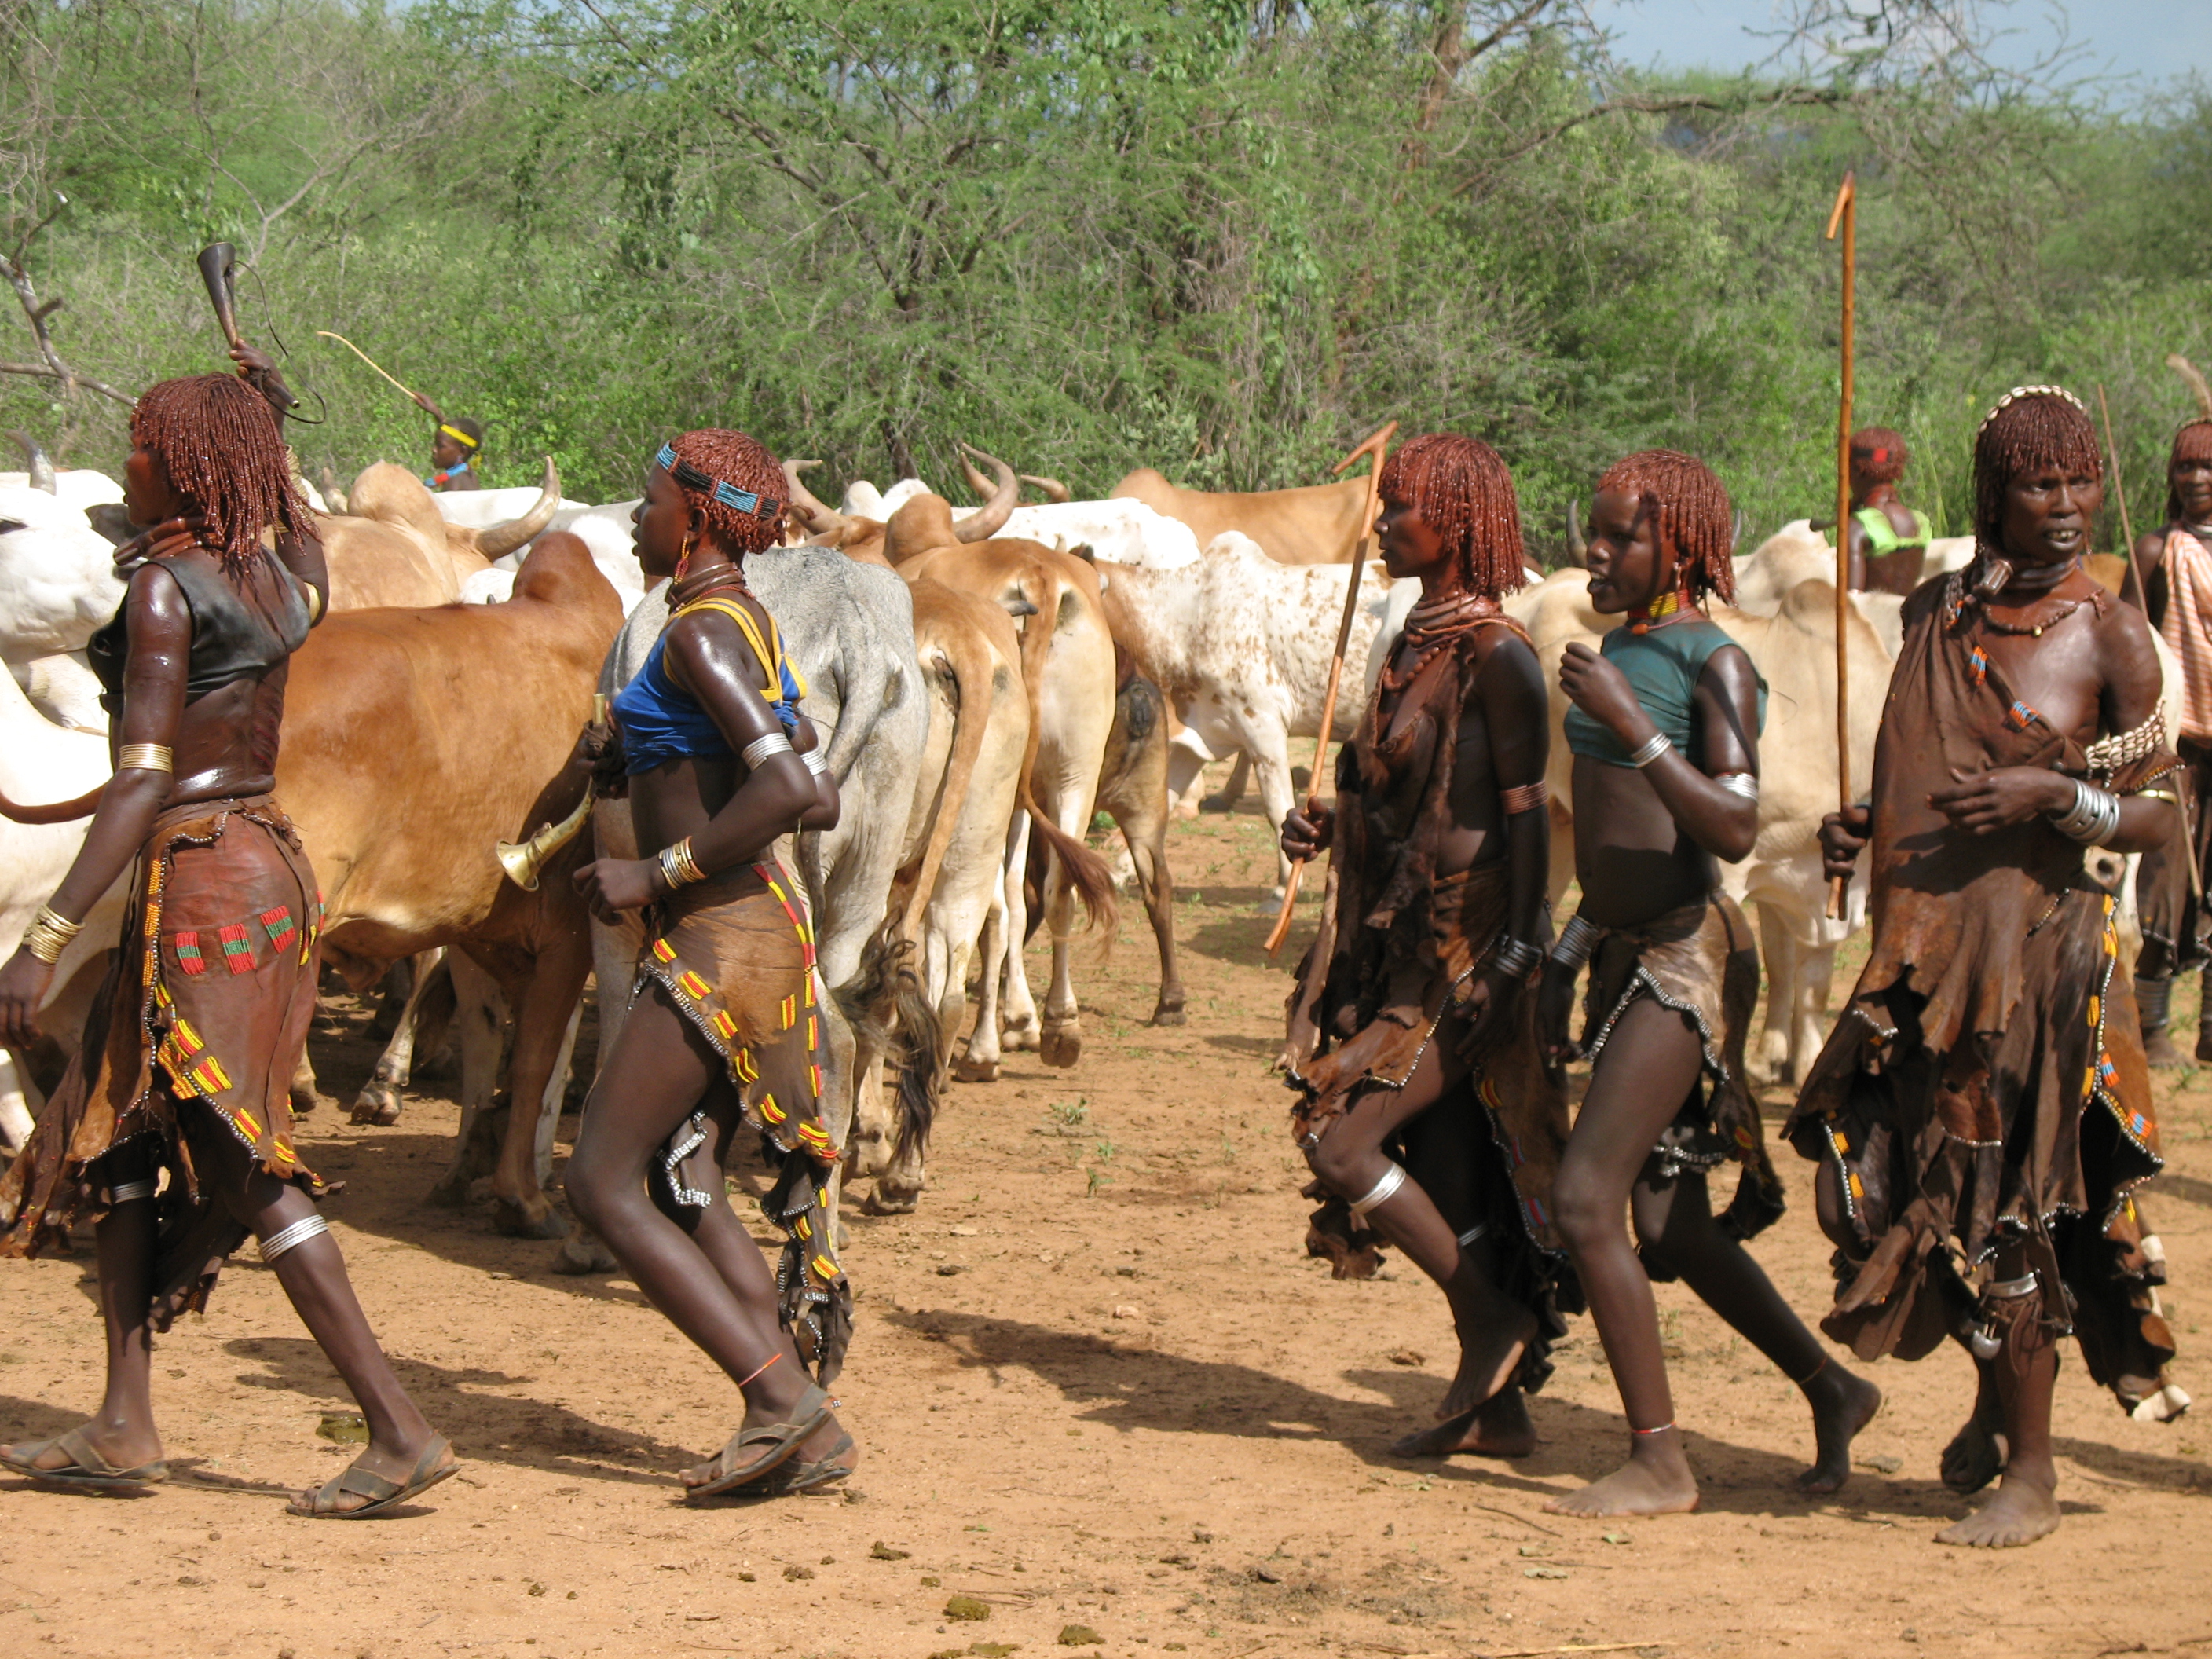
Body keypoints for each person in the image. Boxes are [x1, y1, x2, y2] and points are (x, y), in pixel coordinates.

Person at [0, 367, 457, 1517]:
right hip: (261, 863)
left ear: (186, 467)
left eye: (145, 447)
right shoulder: (285, 576)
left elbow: (138, 781)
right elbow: (300, 526)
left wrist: (44, 938)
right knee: (114, 1136)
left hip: (202, 876)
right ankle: (123, 1420)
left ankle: (398, 1428)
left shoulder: (165, 590)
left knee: (240, 1158)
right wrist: (269, 426)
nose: (131, 461)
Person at [1794, 386, 2187, 1550]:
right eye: (2038, 484)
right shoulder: (1934, 609)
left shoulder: (2110, 629)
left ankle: (2034, 1469)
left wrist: (2053, 794)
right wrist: (1867, 822)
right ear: (1994, 495)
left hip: (2036, 963)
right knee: (1853, 1191)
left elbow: (2161, 817)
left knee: (2012, 1208)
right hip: (1919, 953)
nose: (2065, 507)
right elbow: (1921, 758)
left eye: (2080, 484)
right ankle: (1989, 1383)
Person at [1537, 449, 1881, 1518]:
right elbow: (1604, 838)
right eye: (1592, 531)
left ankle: (1660, 1458)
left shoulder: (1711, 665)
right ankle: (1834, 1388)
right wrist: (1562, 953)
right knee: (1670, 1224)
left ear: (1676, 547)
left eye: (1619, 537)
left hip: (1686, 958)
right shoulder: (1617, 648)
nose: (1596, 551)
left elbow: (1733, 822)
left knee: (1587, 1197)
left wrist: (1634, 727)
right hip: (1618, 949)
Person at [566, 427, 854, 1500]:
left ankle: (782, 1401)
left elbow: (794, 795)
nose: (636, 519)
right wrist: (644, 751)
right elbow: (801, 751)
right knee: (685, 1176)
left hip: (720, 935)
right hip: (743, 928)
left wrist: (653, 870)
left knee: (602, 1178)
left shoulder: (700, 635)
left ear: (693, 517)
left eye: (647, 502)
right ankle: (799, 1412)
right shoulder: (732, 621)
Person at [1281, 433, 1577, 1463]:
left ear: (1456, 522)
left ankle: (1495, 1320)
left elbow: (1529, 812)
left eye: (1400, 506)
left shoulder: (1501, 656)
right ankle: (1499, 1407)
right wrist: (1331, 818)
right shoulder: (1412, 643)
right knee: (1447, 1165)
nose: (1381, 522)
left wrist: (1518, 953)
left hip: (1467, 948)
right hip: (1397, 937)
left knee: (1343, 1143)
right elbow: (1399, 793)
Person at [2119, 418, 2212, 1062]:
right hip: (2173, 743)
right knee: (2163, 885)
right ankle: (2152, 1029)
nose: (2197, 479)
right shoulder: (2154, 551)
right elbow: (2125, 647)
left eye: (2208, 468)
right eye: (2185, 468)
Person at [1841, 426, 1932, 596]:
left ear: (1857, 471)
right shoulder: (1920, 521)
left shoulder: (1858, 527)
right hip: (1908, 620)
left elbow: (1853, 599)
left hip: (1874, 620)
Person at [425, 418, 483, 492]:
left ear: (462, 452)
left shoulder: (455, 480)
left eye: (440, 446)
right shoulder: (469, 476)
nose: (434, 450)